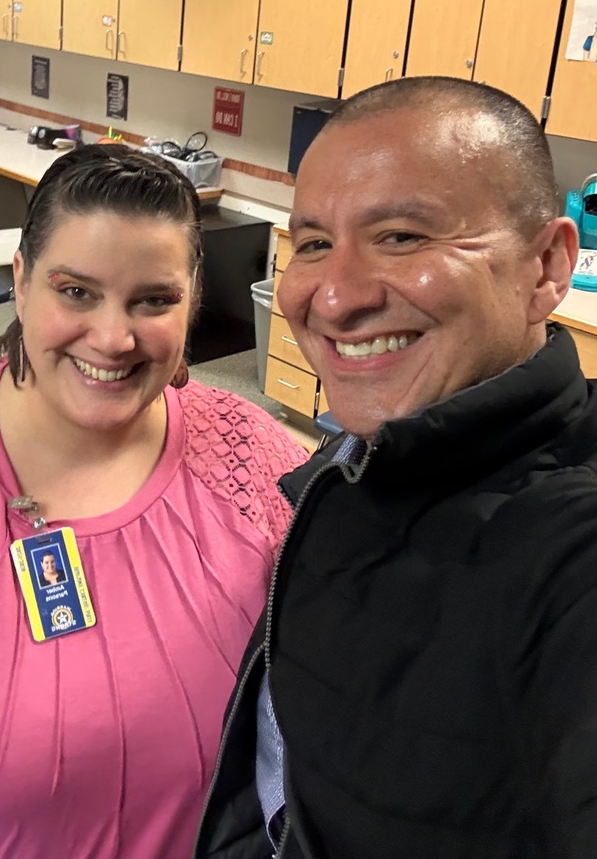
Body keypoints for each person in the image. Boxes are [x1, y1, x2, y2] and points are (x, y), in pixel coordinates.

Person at [193, 75, 597, 859]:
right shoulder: (372, 450)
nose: (335, 299)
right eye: (313, 244)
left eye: (404, 236)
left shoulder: (566, 544)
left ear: (545, 267)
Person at [0, 142, 308, 859]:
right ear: (20, 281)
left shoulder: (260, 467)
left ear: (193, 298)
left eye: (154, 299)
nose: (113, 336)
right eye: (75, 291)